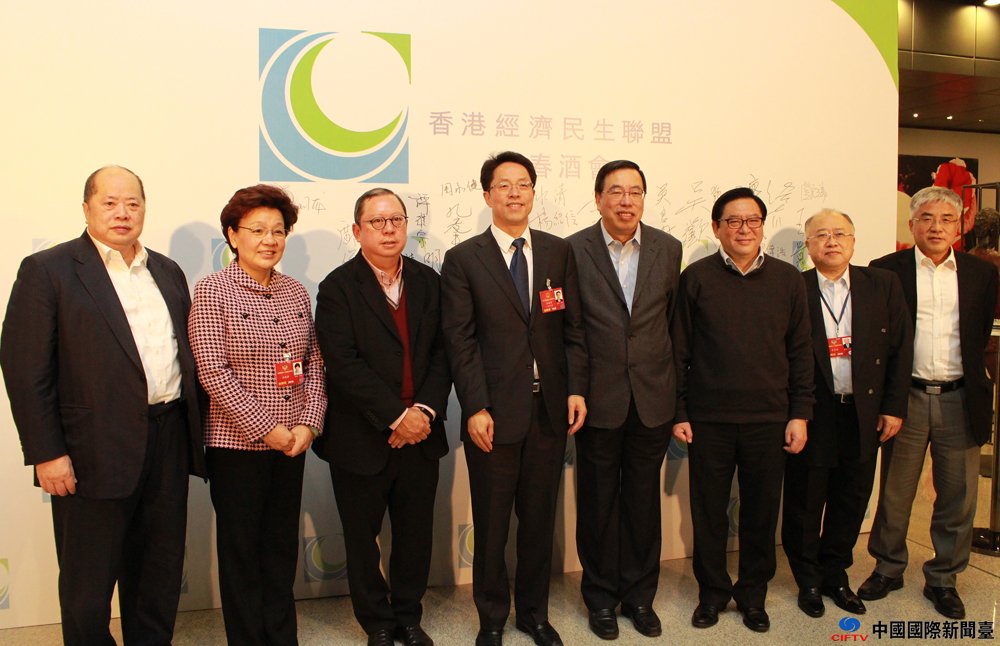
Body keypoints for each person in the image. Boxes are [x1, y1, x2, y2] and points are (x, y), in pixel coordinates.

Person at [0, 165, 206, 645]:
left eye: (133, 203)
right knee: (87, 586)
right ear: (87, 207)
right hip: (89, 450)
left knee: (158, 573)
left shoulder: (167, 271)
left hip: (168, 438)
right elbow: (26, 370)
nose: (122, 213)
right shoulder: (48, 269)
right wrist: (47, 453)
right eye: (110, 202)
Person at [441, 151, 588, 646]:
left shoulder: (558, 252)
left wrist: (575, 388)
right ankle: (491, 618)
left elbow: (573, 329)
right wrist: (476, 406)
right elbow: (460, 340)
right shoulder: (464, 258)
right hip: (494, 415)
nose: (514, 193)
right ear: (487, 195)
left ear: (533, 192)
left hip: (548, 412)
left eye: (522, 184)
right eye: (503, 185)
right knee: (492, 523)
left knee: (538, 522)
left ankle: (534, 614)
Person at [188, 184, 327, 645]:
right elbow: (213, 371)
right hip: (237, 447)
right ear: (232, 235)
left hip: (292, 445)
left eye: (278, 231)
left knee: (280, 550)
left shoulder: (295, 292)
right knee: (242, 555)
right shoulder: (212, 291)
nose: (270, 240)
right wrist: (267, 429)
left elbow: (313, 363)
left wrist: (308, 423)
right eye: (257, 230)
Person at [671, 186, 813, 634]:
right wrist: (680, 410)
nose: (744, 229)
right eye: (733, 221)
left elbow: (801, 352)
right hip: (708, 419)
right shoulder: (696, 278)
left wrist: (799, 413)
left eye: (752, 220)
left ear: (762, 226)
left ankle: (753, 595)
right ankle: (712, 594)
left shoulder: (788, 280)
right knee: (708, 513)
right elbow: (678, 351)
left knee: (761, 514)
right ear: (716, 228)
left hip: (769, 420)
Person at [313, 188, 450, 646]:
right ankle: (376, 623)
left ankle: (409, 617)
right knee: (361, 539)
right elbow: (343, 363)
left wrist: (422, 412)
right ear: (357, 231)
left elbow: (443, 353)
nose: (388, 229)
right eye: (377, 222)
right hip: (361, 437)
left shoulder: (429, 281)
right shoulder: (336, 287)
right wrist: (396, 416)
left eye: (396, 220)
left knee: (415, 536)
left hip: (421, 435)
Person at [859, 186, 998, 619]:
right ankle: (888, 567)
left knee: (958, 495)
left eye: (946, 219)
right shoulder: (886, 270)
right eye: (927, 218)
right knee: (896, 491)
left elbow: (982, 333)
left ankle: (943, 577)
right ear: (912, 224)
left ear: (960, 227)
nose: (937, 227)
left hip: (961, 395)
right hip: (906, 397)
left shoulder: (982, 273)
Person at [566, 160, 681, 640]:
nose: (626, 200)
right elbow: (569, 328)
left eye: (635, 191)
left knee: (642, 504)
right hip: (597, 398)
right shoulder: (573, 249)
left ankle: (639, 597)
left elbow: (672, 325)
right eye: (616, 191)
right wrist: (575, 387)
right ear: (598, 199)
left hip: (652, 397)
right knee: (597, 504)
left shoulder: (668, 248)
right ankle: (600, 598)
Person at [781, 209, 913, 619]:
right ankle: (808, 580)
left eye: (840, 233)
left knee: (852, 498)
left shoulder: (881, 284)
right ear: (808, 246)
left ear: (853, 241)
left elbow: (900, 348)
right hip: (813, 412)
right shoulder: (794, 287)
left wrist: (893, 407)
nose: (831, 241)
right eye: (821, 235)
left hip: (863, 411)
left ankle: (835, 574)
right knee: (805, 501)